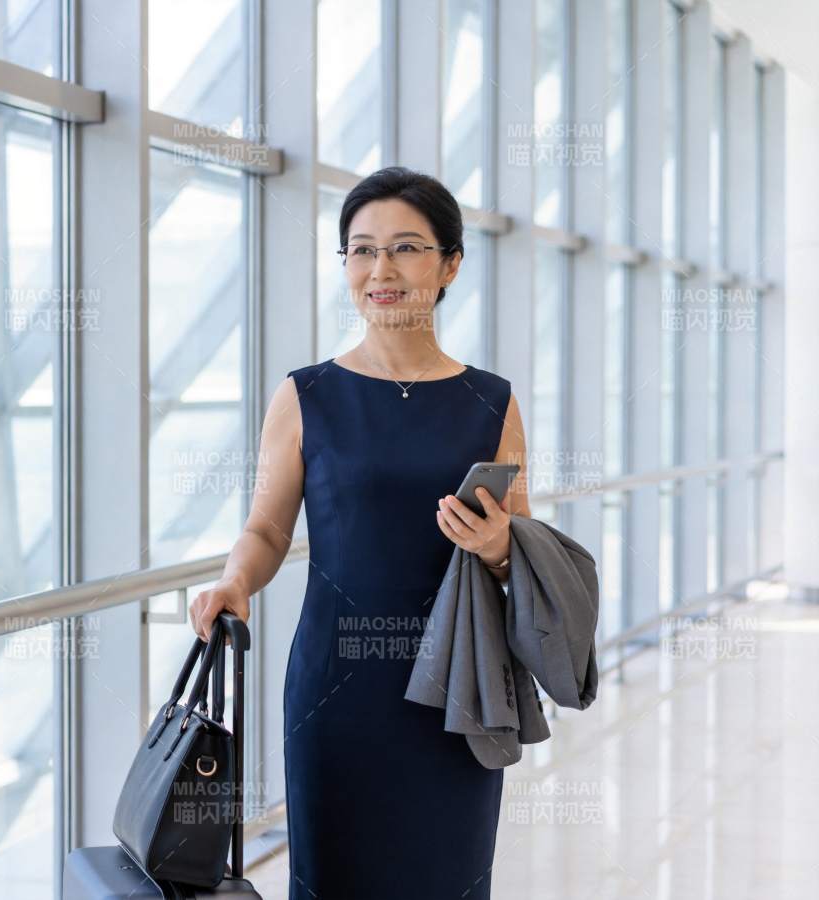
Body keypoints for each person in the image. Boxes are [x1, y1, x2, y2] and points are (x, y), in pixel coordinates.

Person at [188, 166, 529, 898]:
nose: (382, 269)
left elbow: (521, 551)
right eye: (362, 250)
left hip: (457, 691)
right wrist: (235, 581)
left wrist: (497, 546)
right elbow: (267, 528)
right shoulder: (306, 394)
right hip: (335, 691)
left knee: (448, 878)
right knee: (333, 878)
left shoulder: (490, 401)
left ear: (450, 265)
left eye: (406, 248)